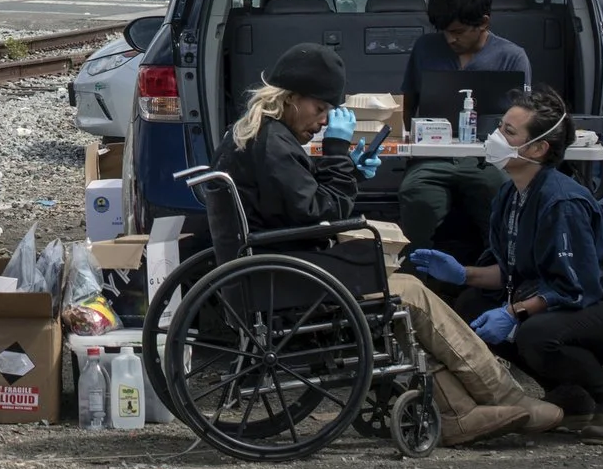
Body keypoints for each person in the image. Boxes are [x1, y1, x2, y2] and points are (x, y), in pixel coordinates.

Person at [215, 43, 562, 446]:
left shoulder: (260, 135)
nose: (323, 121)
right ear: (291, 99)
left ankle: (463, 409)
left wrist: (345, 171)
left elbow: (300, 202)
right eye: (320, 109)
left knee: (400, 297)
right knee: (410, 293)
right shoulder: (272, 142)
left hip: (275, 265)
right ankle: (493, 398)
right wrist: (337, 154)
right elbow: (320, 213)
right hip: (285, 276)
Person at [406, 87, 603, 442]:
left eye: (509, 133)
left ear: (538, 148)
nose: (496, 137)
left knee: (536, 332)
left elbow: (577, 287)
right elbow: (512, 270)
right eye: (500, 127)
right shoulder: (510, 193)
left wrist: (514, 312)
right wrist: (462, 273)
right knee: (472, 305)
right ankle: (573, 396)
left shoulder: (562, 202)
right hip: (582, 296)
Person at [396, 0, 531, 251]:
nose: (449, 39)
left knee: (501, 196)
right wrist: (407, 147)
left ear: (483, 22)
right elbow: (407, 107)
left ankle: (498, 273)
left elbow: (525, 122)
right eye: (444, 32)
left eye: (457, 32)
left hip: (489, 158)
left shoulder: (512, 57)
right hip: (432, 156)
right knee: (416, 195)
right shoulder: (425, 48)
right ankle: (417, 275)